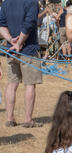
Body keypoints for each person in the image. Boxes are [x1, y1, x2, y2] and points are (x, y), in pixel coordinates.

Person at [0, 0, 43, 128]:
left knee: (12, 84)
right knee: (29, 84)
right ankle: (28, 120)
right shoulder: (31, 2)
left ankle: (9, 118)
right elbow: (29, 24)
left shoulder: (6, 3)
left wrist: (10, 41)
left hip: (11, 49)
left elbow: (2, 25)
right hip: (28, 49)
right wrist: (18, 43)